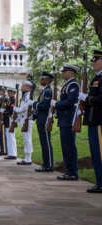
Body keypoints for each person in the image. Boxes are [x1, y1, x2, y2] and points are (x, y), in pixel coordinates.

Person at [80, 50, 102, 193]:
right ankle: (99, 181)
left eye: (96, 61)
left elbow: (100, 99)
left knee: (99, 152)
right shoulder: (96, 78)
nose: (93, 63)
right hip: (93, 119)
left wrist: (87, 98)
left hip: (99, 120)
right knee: (95, 152)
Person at [55, 64, 80, 180]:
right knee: (65, 146)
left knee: (69, 146)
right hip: (64, 119)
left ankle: (73, 172)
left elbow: (70, 101)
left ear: (71, 72)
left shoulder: (73, 85)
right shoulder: (67, 85)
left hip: (69, 119)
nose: (63, 73)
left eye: (65, 71)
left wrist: (56, 104)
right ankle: (68, 171)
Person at [33, 72, 54, 172]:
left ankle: (49, 165)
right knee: (43, 143)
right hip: (41, 119)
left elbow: (45, 106)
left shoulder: (48, 91)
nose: (41, 81)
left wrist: (35, 104)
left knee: (46, 143)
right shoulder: (44, 91)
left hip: (45, 119)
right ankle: (46, 164)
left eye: (43, 79)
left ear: (48, 80)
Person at [13, 81, 34, 165]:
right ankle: (27, 157)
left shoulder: (29, 96)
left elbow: (24, 108)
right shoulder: (25, 95)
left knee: (27, 139)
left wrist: (15, 109)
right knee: (26, 139)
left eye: (23, 85)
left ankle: (28, 158)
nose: (22, 87)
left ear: (28, 87)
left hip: (27, 120)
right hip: (23, 119)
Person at [4, 87, 18, 160]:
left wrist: (5, 112)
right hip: (7, 119)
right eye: (8, 92)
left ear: (14, 93)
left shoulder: (13, 100)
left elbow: (11, 110)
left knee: (11, 136)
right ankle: (10, 153)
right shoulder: (9, 100)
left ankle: (13, 154)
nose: (9, 93)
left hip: (10, 118)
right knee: (8, 136)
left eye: (10, 92)